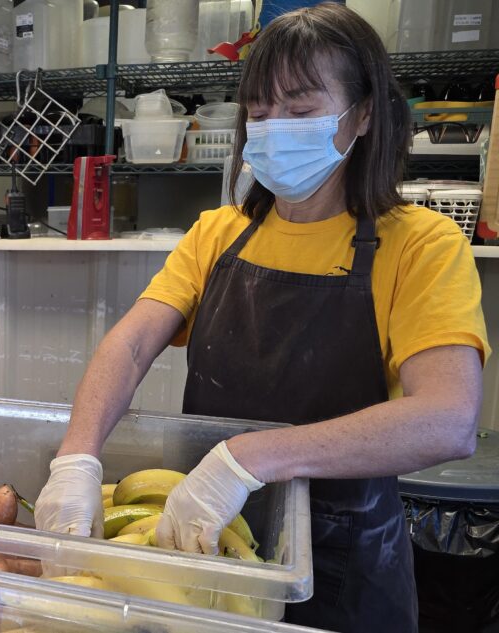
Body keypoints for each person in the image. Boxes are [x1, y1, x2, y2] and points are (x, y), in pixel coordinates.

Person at [33, 4, 488, 631]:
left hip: (346, 566)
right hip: (209, 537)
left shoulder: (420, 246)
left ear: (362, 116)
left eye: (300, 110)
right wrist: (77, 459)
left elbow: (448, 419)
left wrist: (247, 459)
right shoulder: (219, 233)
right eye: (260, 112)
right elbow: (132, 345)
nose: (273, 130)